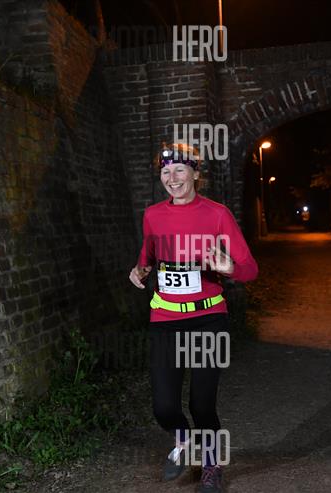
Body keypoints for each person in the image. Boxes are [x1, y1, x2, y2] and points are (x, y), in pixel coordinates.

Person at [128, 143, 258, 493]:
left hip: (208, 319)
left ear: (195, 173)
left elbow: (250, 268)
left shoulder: (217, 214)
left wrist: (229, 268)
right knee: (163, 407)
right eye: (165, 172)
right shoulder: (153, 215)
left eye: (179, 170)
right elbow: (148, 256)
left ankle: (212, 466)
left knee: (202, 404)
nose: (172, 178)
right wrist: (140, 271)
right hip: (165, 318)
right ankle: (183, 439)